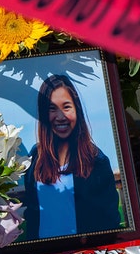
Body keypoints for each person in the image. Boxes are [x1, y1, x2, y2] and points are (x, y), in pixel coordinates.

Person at [20, 74, 123, 239]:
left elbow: (110, 221)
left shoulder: (97, 162)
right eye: (52, 109)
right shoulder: (35, 157)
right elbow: (33, 213)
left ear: (77, 110)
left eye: (66, 107)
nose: (60, 117)